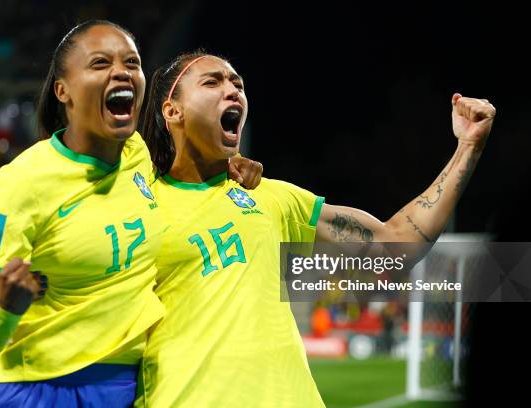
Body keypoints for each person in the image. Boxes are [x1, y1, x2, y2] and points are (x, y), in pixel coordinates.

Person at [137, 51, 495, 407]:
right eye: (212, 82)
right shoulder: (137, 204)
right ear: (172, 111)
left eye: (237, 84)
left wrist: (469, 146)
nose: (233, 90)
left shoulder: (272, 197)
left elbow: (396, 244)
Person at [0, 20, 260, 408]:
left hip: (128, 386)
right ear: (63, 90)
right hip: (41, 390)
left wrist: (230, 162)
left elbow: (184, 173)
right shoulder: (21, 184)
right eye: (100, 63)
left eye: (131, 62)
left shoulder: (137, 155)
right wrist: (5, 308)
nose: (121, 71)